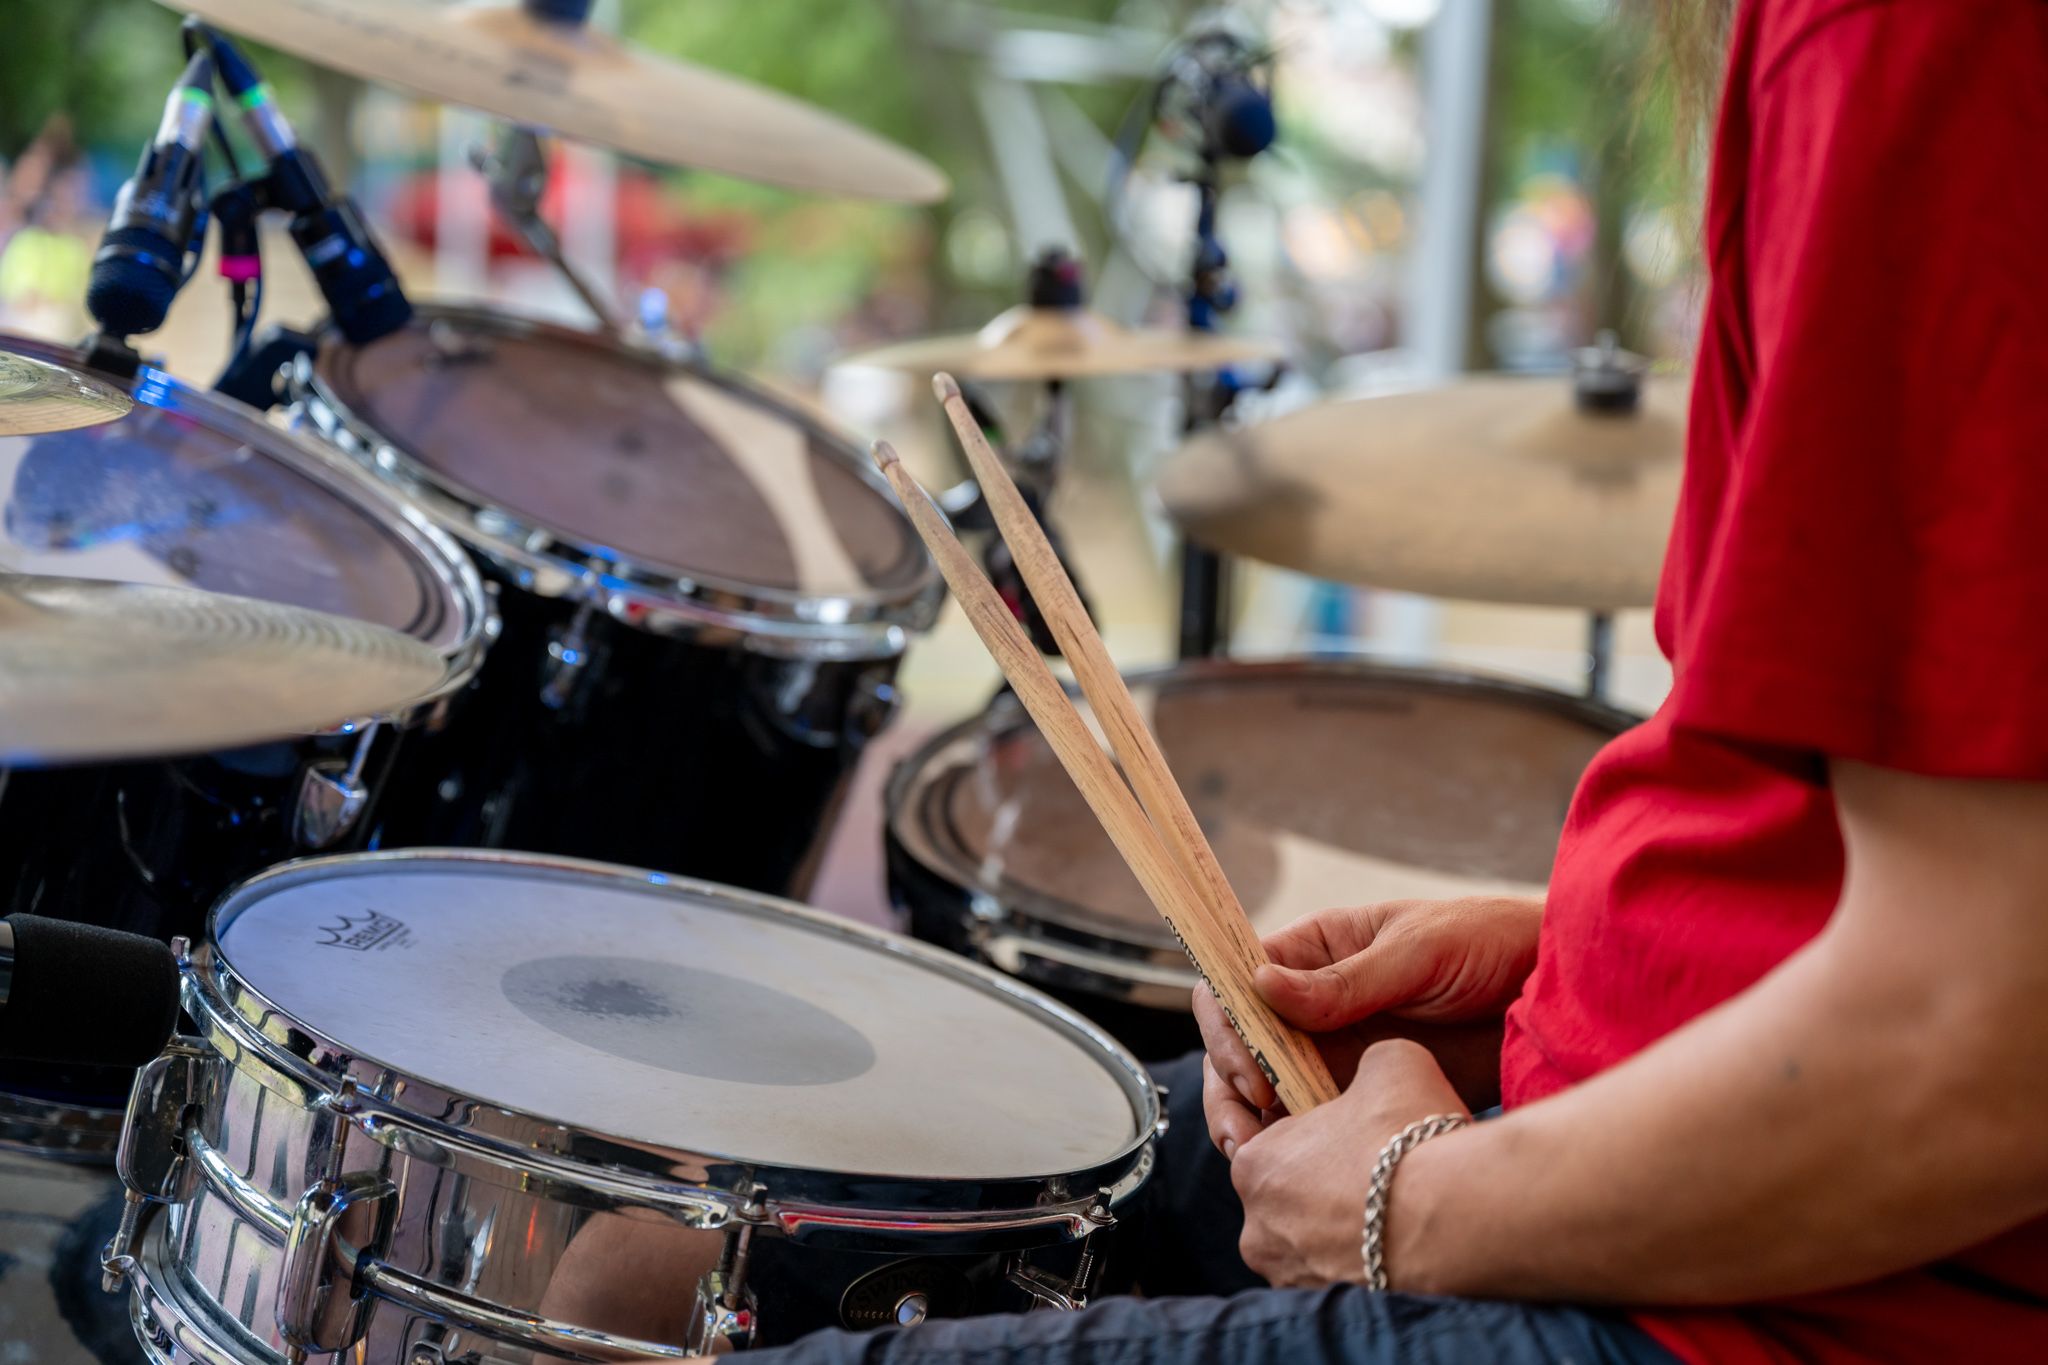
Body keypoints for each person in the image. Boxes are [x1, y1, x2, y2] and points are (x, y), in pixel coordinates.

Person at [643, 0, 2048, 1358]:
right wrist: (1559, 967)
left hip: (1782, 1307)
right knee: (673, 1252)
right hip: (1668, 1146)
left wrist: (1403, 1205)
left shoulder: (1918, 33)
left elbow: (1984, 1043)